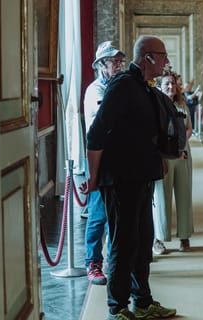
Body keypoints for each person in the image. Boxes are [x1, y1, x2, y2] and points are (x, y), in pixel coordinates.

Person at [85, 35, 177, 320]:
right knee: (123, 244)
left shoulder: (145, 87)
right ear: (148, 57)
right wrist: (93, 177)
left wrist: (159, 160)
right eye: (162, 55)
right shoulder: (123, 84)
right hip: (121, 178)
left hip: (141, 177)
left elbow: (147, 133)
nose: (166, 61)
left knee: (142, 240)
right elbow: (96, 133)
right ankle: (118, 307)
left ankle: (143, 301)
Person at [77, 41, 125, 286]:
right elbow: (105, 124)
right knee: (98, 213)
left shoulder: (119, 87)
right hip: (98, 156)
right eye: (113, 61)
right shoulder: (95, 90)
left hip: (118, 156)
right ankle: (92, 262)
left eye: (119, 61)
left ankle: (111, 259)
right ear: (101, 65)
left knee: (116, 211)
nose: (117, 65)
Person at [152, 70, 194, 255]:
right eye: (166, 84)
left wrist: (180, 146)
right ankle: (159, 238)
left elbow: (189, 128)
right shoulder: (155, 106)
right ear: (160, 87)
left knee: (184, 195)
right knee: (161, 197)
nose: (170, 86)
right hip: (163, 157)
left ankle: (184, 237)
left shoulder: (182, 104)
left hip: (183, 154)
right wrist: (171, 152)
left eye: (173, 83)